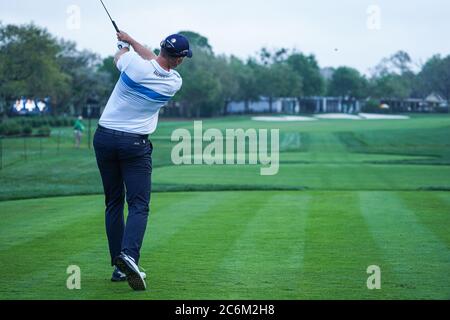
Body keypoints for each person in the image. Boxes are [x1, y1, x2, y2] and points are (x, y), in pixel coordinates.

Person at [93, 31, 192, 291]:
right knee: (138, 204)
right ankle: (129, 257)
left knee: (113, 202)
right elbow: (156, 63)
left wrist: (124, 44)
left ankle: (118, 267)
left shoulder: (132, 64)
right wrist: (133, 42)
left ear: (161, 48)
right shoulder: (174, 82)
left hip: (103, 138)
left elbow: (125, 57)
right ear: (180, 59)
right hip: (134, 145)